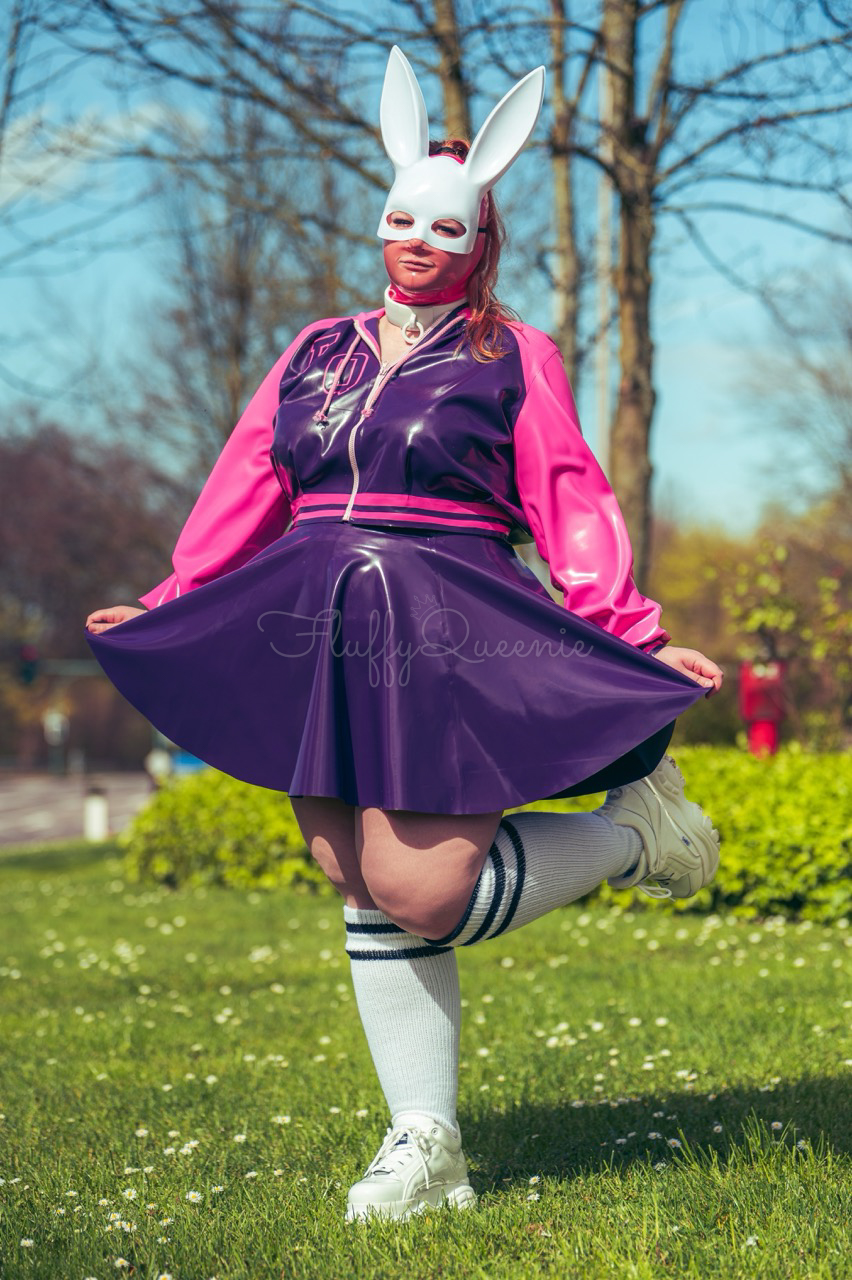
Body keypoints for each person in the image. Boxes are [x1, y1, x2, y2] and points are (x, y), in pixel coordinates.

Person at [85, 47, 723, 1222]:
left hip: (447, 626)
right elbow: (246, 482)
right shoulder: (312, 348)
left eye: (445, 225)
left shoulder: (509, 353)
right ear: (381, 226)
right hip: (307, 625)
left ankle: (636, 838)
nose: (418, 241)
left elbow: (569, 494)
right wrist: (177, 596)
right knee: (353, 875)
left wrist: (630, 628)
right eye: (400, 219)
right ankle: (428, 1142)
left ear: (479, 238)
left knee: (425, 888)